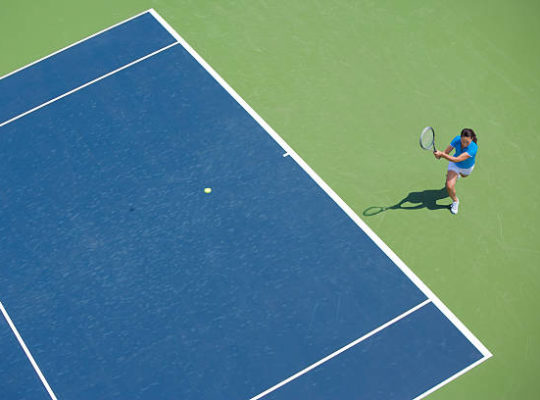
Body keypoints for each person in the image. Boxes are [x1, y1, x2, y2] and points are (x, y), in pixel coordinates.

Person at [434, 129, 478, 215]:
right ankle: (455, 201)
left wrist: (442, 155)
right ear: (460, 138)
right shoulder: (457, 139)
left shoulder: (473, 148)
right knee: (449, 186)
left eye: (467, 142)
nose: (464, 143)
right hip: (455, 165)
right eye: (462, 141)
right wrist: (439, 155)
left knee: (463, 176)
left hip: (466, 168)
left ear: (472, 139)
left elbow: (457, 159)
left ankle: (456, 176)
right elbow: (446, 152)